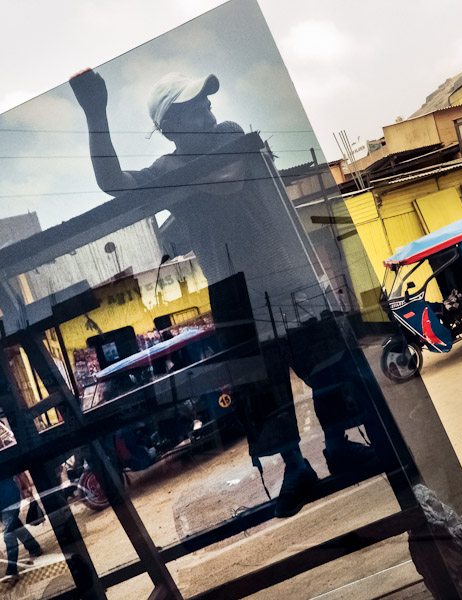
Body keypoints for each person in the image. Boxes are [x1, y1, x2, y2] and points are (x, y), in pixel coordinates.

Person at [69, 69, 379, 518]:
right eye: (195, 105)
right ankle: (295, 469)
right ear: (170, 124)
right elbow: (112, 183)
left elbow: (225, 177)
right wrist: (96, 112)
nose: (208, 107)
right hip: (242, 300)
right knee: (264, 392)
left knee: (333, 372)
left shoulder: (230, 138)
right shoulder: (172, 171)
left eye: (206, 101)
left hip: (293, 283)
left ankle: (338, 446)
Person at [0, 473, 43, 583]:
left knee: (8, 534)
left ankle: (12, 571)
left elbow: (18, 470)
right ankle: (34, 548)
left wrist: (28, 489)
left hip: (9, 498)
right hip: (2, 502)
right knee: (15, 526)